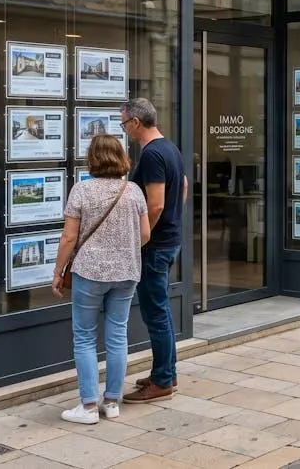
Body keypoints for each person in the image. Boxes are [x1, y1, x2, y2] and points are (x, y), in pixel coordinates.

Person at [53, 134, 151, 424]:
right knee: (117, 335)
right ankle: (112, 402)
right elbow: (145, 235)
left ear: (92, 159)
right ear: (121, 158)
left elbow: (69, 236)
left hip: (90, 272)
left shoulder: (82, 191)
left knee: (84, 337)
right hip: (127, 273)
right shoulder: (133, 191)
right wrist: (123, 250)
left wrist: (58, 271)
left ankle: (87, 406)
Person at [121, 98, 188, 403]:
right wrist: (174, 218)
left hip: (155, 246)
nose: (125, 130)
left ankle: (162, 381)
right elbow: (184, 186)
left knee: (155, 313)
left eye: (125, 124)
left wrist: (141, 237)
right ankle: (166, 371)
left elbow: (157, 203)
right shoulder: (170, 148)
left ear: (136, 122)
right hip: (169, 240)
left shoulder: (151, 154)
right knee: (160, 311)